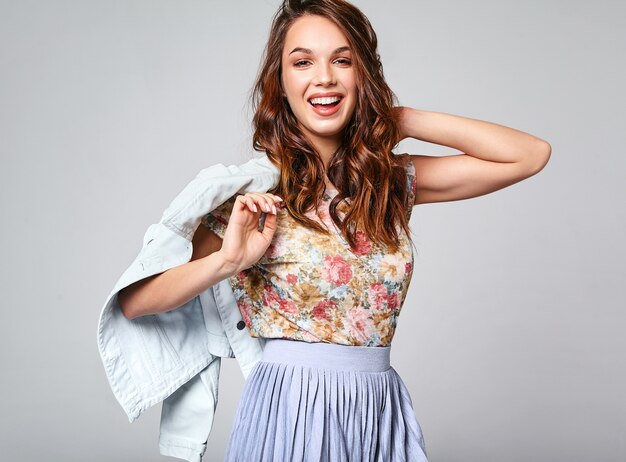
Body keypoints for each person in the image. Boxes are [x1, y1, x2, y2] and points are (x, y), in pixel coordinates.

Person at [117, 0, 551, 460]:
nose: (324, 77)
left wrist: (399, 119)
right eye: (302, 62)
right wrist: (228, 260)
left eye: (342, 61)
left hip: (378, 409)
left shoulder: (386, 184)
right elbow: (136, 302)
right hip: (293, 409)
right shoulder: (250, 196)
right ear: (280, 84)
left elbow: (529, 154)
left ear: (362, 75)